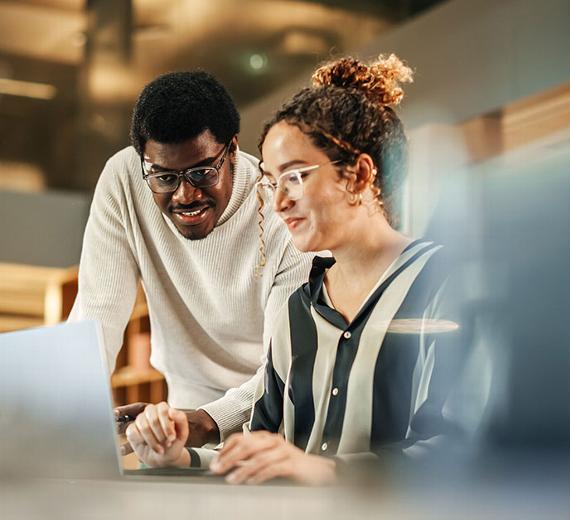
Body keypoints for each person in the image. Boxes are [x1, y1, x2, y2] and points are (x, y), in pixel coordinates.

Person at [126, 55, 463, 483]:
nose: (279, 202)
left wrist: (323, 471)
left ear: (358, 175)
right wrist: (181, 457)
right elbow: (260, 452)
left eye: (295, 177)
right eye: (271, 180)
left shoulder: (445, 285)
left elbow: (457, 454)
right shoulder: (295, 310)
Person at [68, 71, 312, 448]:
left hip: (275, 430)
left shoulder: (284, 213)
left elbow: (287, 369)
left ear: (232, 150)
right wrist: (65, 417)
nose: (184, 195)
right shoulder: (124, 180)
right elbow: (96, 314)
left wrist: (209, 420)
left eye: (201, 172)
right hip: (181, 423)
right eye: (164, 177)